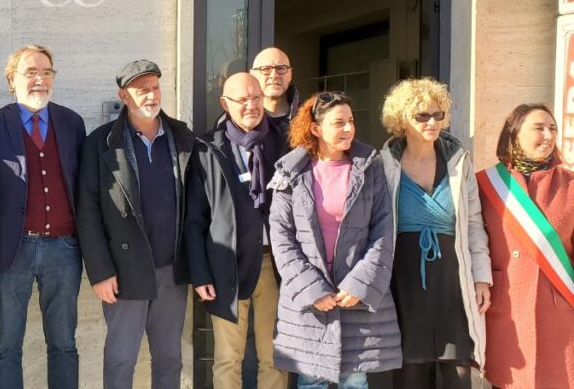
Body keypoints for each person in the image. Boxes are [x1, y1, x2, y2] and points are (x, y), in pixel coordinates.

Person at [267, 91, 400, 388]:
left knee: (354, 380)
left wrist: (359, 285)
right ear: (316, 128)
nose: (349, 128)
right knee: (311, 381)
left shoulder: (370, 167)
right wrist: (312, 289)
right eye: (339, 123)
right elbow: (281, 237)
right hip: (310, 298)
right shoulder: (290, 172)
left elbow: (383, 230)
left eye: (351, 121)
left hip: (353, 296)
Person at [0, 45, 86, 389]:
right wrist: (5, 222)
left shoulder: (72, 123)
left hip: (64, 250)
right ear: (12, 80)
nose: (40, 79)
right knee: (6, 347)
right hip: (11, 250)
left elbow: (82, 184)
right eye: (31, 72)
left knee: (64, 344)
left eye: (47, 72)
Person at [77, 60, 195, 389]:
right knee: (120, 358)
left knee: (169, 357)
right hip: (124, 271)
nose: (151, 95)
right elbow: (87, 211)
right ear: (123, 96)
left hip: (172, 269)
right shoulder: (101, 143)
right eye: (142, 89)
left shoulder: (181, 136)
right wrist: (100, 271)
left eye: (155, 87)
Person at [378, 78, 491, 388]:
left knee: (458, 370)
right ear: (402, 119)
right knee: (410, 370)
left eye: (438, 114)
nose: (432, 122)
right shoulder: (384, 164)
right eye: (422, 116)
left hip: (452, 276)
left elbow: (474, 224)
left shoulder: (458, 162)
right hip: (404, 277)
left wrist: (481, 277)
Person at [185, 73, 288, 389]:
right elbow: (195, 219)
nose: (251, 105)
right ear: (225, 104)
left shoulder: (283, 140)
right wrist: (200, 274)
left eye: (256, 98)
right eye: (242, 100)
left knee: (275, 356)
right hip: (226, 266)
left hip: (275, 265)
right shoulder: (207, 149)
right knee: (228, 358)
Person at [476, 104, 574, 389]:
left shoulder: (570, 185)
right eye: (538, 128)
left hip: (558, 313)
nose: (548, 136)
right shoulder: (485, 184)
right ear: (514, 134)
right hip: (507, 311)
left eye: (552, 128)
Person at [249, 47, 298, 139]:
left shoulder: (309, 119)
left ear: (290, 74)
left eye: (281, 68)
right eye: (265, 69)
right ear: (252, 75)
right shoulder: (240, 120)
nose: (274, 76)